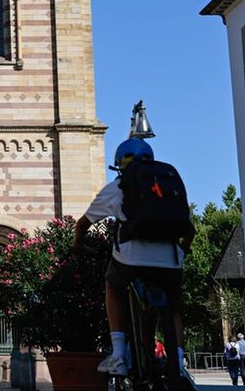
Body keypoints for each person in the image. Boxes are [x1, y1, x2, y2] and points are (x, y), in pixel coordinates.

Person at [71, 138, 195, 384]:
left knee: (113, 286)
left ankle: (118, 354)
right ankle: (179, 364)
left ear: (121, 165)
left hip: (132, 257)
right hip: (171, 258)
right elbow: (188, 228)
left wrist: (78, 244)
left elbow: (83, 224)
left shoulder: (118, 186)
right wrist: (183, 250)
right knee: (173, 308)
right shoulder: (167, 181)